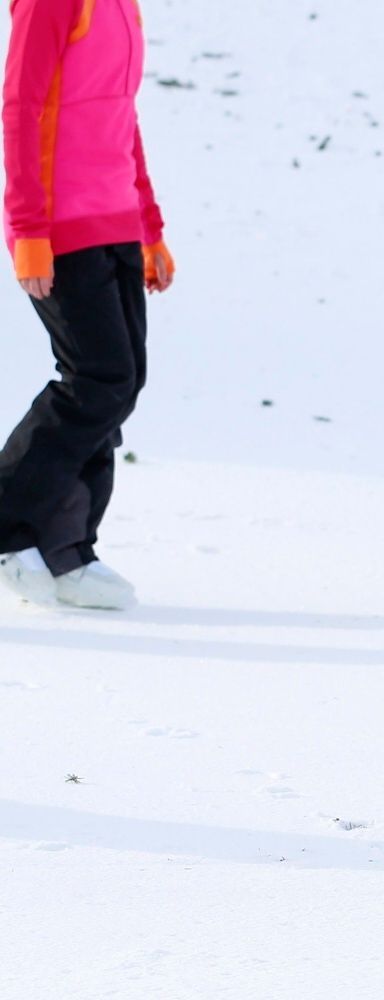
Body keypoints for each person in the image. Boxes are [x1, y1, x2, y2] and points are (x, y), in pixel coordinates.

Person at [0, 0, 174, 611]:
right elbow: (19, 106)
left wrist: (148, 227)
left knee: (120, 385)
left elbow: (121, 117)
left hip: (116, 220)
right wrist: (28, 228)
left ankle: (66, 549)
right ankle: (9, 525)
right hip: (60, 224)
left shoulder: (122, 6)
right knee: (97, 380)